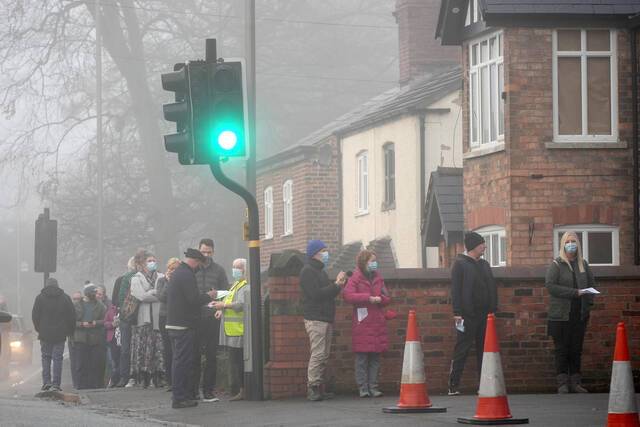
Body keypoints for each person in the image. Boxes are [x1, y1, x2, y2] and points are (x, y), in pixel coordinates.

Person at [447, 231, 498, 396]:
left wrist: (493, 309)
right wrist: (457, 312)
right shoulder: (460, 264)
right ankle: (453, 385)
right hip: (466, 315)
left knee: (485, 350)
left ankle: (484, 385)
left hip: (485, 315)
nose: (485, 246)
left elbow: (491, 287)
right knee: (462, 348)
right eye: (482, 243)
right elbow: (455, 290)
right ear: (473, 246)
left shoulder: (484, 264)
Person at [545, 231, 595, 394]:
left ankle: (575, 382)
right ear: (563, 244)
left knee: (576, 349)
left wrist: (588, 304)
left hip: (579, 314)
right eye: (568, 241)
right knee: (561, 349)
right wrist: (575, 293)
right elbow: (551, 286)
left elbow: (591, 285)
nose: (571, 244)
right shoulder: (557, 264)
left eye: (574, 241)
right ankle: (562, 383)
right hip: (560, 315)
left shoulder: (583, 264)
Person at [166, 248, 217, 409]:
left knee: (178, 361)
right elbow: (193, 299)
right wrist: (209, 296)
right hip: (183, 325)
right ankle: (180, 398)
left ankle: (181, 395)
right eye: (199, 265)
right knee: (182, 362)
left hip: (174, 323)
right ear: (195, 261)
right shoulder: (186, 275)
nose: (198, 268)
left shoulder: (178, 273)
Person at [299, 239, 347, 401]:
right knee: (318, 354)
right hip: (315, 318)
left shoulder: (320, 271)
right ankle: (312, 387)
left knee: (324, 354)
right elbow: (316, 294)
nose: (326, 254)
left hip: (325, 317)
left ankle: (319, 387)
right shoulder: (307, 271)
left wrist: (338, 285)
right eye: (323, 251)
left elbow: (328, 293)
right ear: (315, 253)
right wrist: (336, 285)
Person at [343, 250, 391, 398]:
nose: (374, 263)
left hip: (376, 322)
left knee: (375, 357)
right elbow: (348, 295)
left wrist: (380, 299)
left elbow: (387, 297)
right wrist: (368, 298)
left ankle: (374, 386)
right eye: (372, 260)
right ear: (364, 262)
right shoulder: (355, 278)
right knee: (362, 358)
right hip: (362, 323)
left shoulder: (378, 278)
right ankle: (363, 387)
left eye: (375, 260)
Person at [194, 238, 229, 402]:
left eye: (209, 252)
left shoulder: (219, 270)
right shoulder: (192, 270)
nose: (206, 255)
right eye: (203, 251)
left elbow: (226, 292)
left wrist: (221, 307)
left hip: (212, 317)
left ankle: (208, 390)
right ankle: (193, 390)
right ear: (198, 250)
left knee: (211, 355)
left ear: (213, 252)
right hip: (194, 317)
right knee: (193, 355)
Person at [213, 258, 249, 401]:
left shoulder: (245, 286)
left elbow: (240, 305)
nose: (235, 270)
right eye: (234, 267)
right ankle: (237, 389)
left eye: (238, 267)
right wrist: (222, 310)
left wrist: (223, 306)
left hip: (238, 330)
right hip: (232, 331)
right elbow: (229, 301)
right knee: (234, 361)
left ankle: (242, 390)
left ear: (244, 270)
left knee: (239, 362)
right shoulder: (235, 285)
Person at [31, 277, 76, 392]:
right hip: (60, 334)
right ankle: (56, 384)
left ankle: (46, 382)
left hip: (45, 333)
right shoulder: (65, 298)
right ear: (57, 285)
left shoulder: (40, 298)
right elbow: (72, 316)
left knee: (46, 357)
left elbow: (35, 316)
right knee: (57, 359)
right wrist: (69, 331)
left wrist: (39, 329)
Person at [129, 250, 164, 388]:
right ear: (142, 264)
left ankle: (159, 375)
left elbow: (164, 294)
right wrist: (155, 293)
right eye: (149, 261)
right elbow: (141, 296)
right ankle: (144, 376)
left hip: (158, 317)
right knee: (144, 347)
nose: (152, 263)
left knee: (158, 347)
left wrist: (150, 293)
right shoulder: (136, 278)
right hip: (143, 319)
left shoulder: (161, 277)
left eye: (153, 260)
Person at [74, 284, 107, 389]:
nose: (95, 295)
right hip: (81, 337)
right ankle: (80, 385)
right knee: (81, 363)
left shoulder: (100, 306)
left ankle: (94, 384)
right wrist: (81, 324)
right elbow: (71, 322)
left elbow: (105, 320)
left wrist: (95, 323)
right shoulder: (76, 305)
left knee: (95, 363)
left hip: (95, 338)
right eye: (93, 293)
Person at [156, 257, 181, 390]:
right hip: (164, 316)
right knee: (167, 349)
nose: (173, 271)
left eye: (175, 269)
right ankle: (169, 380)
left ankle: (178, 379)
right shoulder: (161, 281)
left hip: (177, 316)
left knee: (177, 348)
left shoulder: (182, 281)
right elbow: (162, 297)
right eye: (171, 269)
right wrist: (168, 282)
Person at [116, 257, 137, 387]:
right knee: (133, 348)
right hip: (134, 318)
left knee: (125, 349)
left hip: (125, 318)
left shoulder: (121, 279)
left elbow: (115, 300)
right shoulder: (127, 279)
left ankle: (125, 377)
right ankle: (133, 376)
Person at [103, 295, 120, 387]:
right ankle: (114, 380)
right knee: (113, 361)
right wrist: (112, 324)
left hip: (121, 338)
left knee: (120, 359)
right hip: (112, 338)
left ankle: (117, 379)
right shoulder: (110, 310)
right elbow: (105, 323)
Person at [68, 290, 83, 389]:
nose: (76, 301)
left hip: (82, 339)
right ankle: (76, 384)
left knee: (80, 362)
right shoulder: (69, 309)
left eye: (78, 299)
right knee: (73, 363)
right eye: (74, 299)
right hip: (72, 339)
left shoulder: (84, 308)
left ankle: (81, 383)